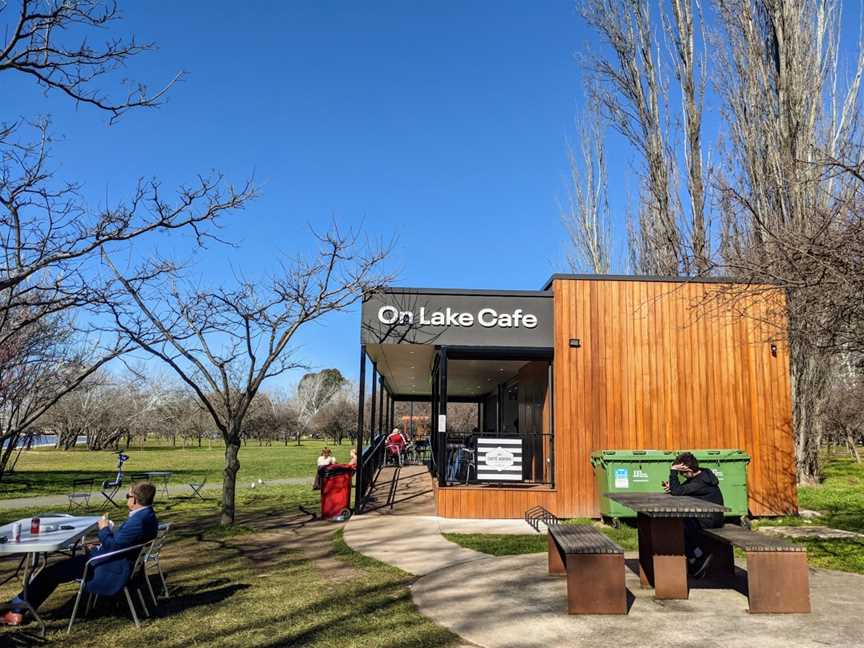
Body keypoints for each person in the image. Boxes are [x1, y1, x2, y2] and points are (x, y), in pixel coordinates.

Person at [2, 482, 159, 626]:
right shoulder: (148, 516)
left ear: (135, 500)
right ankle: (16, 605)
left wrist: (104, 529)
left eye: (128, 496)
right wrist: (97, 548)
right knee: (54, 570)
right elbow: (120, 545)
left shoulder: (138, 521)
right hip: (112, 561)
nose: (126, 499)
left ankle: (16, 610)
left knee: (50, 572)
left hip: (107, 568)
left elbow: (113, 546)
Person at [663, 452, 724, 578]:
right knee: (678, 525)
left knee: (678, 527)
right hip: (706, 516)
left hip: (710, 519)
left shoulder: (701, 482)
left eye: (682, 473)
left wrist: (672, 472)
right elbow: (679, 490)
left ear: (689, 470)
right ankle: (697, 556)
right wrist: (672, 488)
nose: (682, 475)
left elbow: (678, 492)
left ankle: (696, 560)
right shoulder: (699, 476)